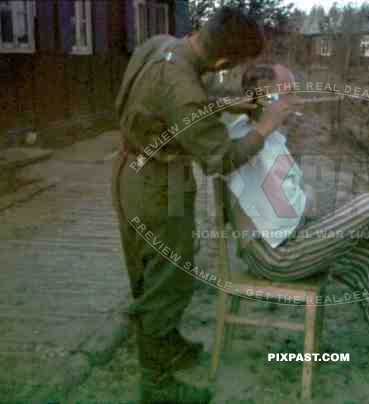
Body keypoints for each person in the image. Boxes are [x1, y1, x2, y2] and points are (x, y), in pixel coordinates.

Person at [112, 9, 297, 403]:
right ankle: (156, 384)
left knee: (151, 266)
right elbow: (221, 158)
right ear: (223, 62)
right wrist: (266, 126)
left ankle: (167, 342)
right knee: (168, 276)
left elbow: (177, 100)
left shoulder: (161, 46)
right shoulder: (184, 90)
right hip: (158, 185)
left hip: (131, 171)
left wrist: (232, 105)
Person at [221, 64, 369, 371]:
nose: (297, 100)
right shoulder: (242, 139)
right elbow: (298, 209)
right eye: (290, 93)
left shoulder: (269, 139)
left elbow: (300, 207)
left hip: (290, 240)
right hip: (272, 254)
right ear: (265, 98)